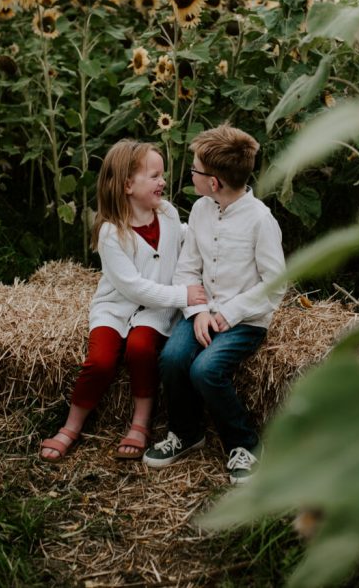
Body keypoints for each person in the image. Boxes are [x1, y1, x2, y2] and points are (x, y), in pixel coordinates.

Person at [40, 140, 207, 462]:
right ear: (128, 185)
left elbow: (184, 237)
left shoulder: (168, 214)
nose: (163, 182)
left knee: (141, 349)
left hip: (156, 311)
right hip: (115, 309)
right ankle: (71, 426)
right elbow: (133, 288)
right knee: (100, 361)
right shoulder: (111, 233)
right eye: (155, 176)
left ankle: (140, 422)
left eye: (162, 175)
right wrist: (181, 296)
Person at [142, 123, 286, 485]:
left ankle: (245, 443)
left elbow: (275, 284)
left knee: (205, 370)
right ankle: (186, 432)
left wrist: (228, 313)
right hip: (203, 311)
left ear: (215, 182)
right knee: (173, 358)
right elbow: (188, 267)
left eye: (194, 170)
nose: (190, 174)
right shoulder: (201, 210)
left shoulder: (260, 220)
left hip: (246, 318)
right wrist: (198, 312)